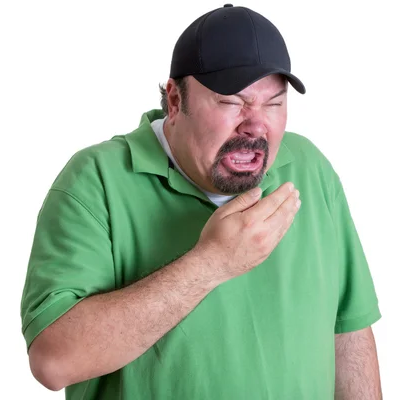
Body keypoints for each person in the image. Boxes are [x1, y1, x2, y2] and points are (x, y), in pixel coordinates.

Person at [20, 4, 382, 399]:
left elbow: (348, 333)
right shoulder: (96, 181)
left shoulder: (309, 170)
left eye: (273, 103)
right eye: (232, 102)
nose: (256, 124)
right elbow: (53, 362)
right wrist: (213, 263)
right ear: (175, 101)